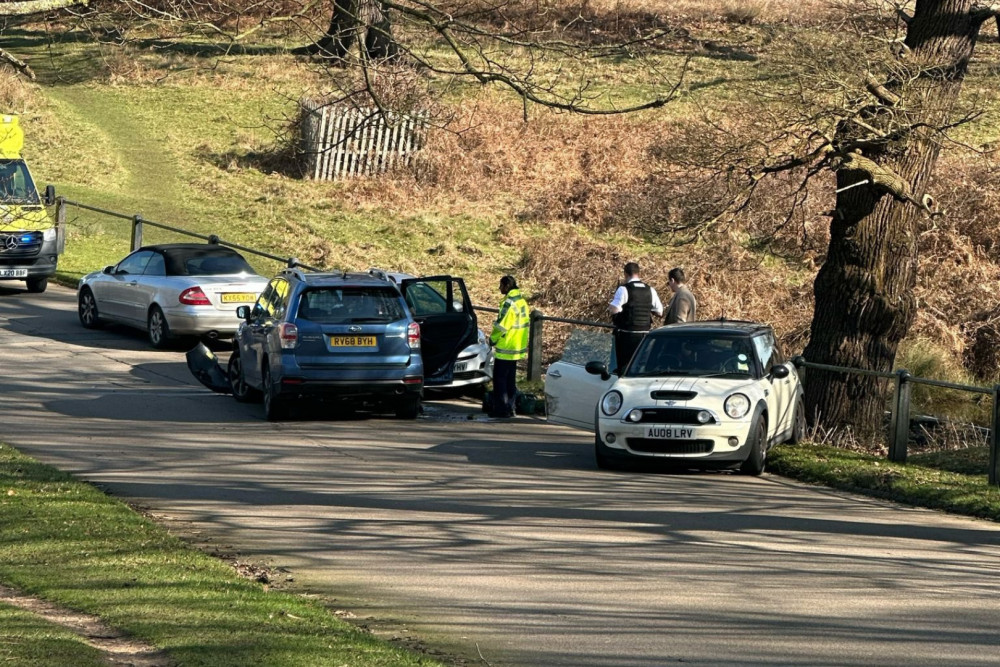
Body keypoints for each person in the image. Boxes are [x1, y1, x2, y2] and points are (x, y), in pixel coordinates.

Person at [609, 262, 663, 373]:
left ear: (625, 274)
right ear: (638, 273)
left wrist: (613, 310)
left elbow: (615, 309)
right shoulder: (650, 290)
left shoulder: (624, 289)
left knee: (624, 367)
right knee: (640, 366)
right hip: (645, 335)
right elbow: (659, 311)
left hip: (626, 334)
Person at [489, 275, 530, 418]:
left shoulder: (509, 303)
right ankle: (511, 407)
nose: (499, 288)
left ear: (506, 286)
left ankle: (501, 409)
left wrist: (492, 339)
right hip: (517, 346)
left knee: (500, 379)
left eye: (501, 285)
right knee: (510, 379)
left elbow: (502, 326)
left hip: (506, 346)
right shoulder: (522, 302)